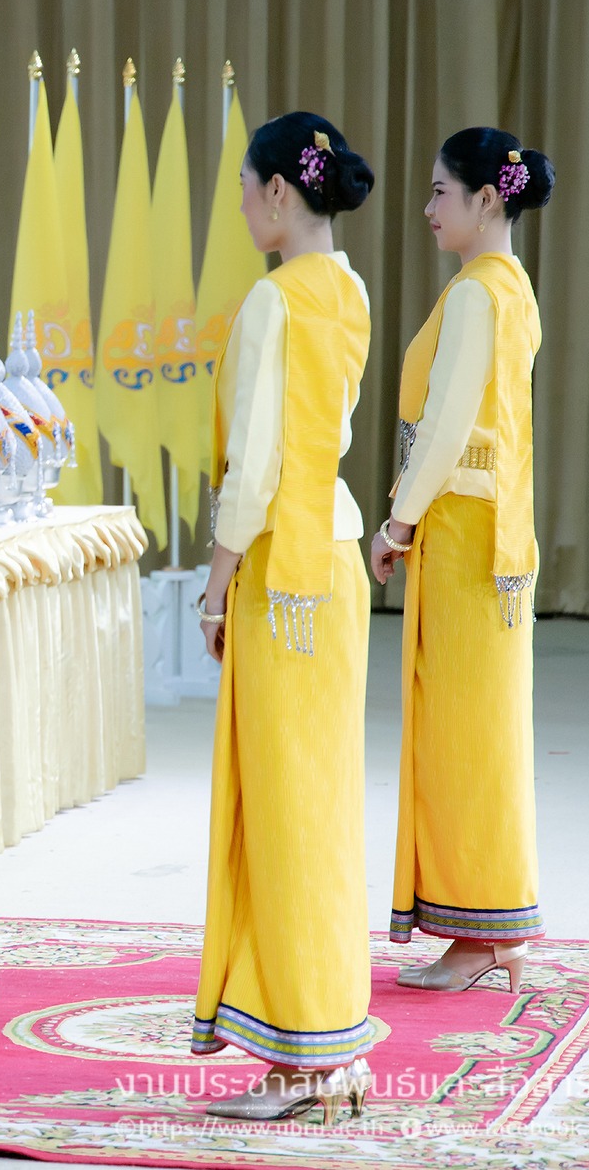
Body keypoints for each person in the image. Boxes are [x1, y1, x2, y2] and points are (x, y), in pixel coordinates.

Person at [193, 111, 378, 1122]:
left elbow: (253, 466)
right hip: (336, 559)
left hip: (278, 571)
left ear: (276, 191)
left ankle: (301, 1056)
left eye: (241, 185)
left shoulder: (271, 301)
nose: (236, 204)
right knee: (319, 799)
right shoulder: (345, 286)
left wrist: (214, 584)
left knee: (280, 805)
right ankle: (323, 1039)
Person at [371, 128, 553, 992]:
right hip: (493, 537)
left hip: (464, 542)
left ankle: (481, 929)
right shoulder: (509, 287)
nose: (431, 207)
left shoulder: (480, 293)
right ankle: (484, 924)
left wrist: (397, 521)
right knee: (477, 732)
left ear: (489, 199)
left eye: (443, 190)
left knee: (463, 738)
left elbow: (444, 427)